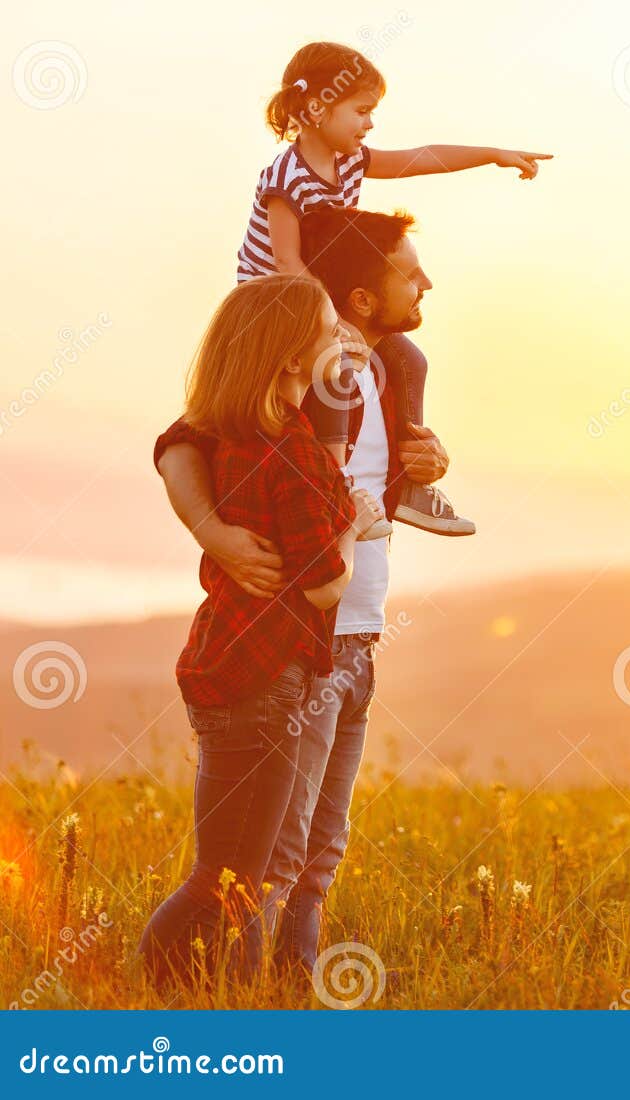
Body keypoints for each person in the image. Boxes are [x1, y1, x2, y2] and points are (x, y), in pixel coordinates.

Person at [156, 207, 450, 977]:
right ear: (356, 298)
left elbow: (362, 502)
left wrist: (425, 469)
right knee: (266, 861)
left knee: (320, 851)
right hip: (295, 641)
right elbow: (185, 441)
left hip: (355, 637)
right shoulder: (291, 396)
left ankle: (290, 995)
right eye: (407, 271)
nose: (425, 283)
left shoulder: (392, 378)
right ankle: (232, 995)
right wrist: (212, 531)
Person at [138, 275, 385, 987]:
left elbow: (181, 441)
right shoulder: (293, 451)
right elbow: (324, 582)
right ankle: (190, 993)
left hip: (226, 664)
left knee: (228, 875)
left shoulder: (239, 437)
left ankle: (186, 992)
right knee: (231, 881)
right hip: (269, 683)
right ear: (286, 360)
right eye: (328, 328)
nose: (341, 340)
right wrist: (355, 526)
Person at [238, 39, 552, 537]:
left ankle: (406, 484)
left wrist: (492, 154)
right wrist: (331, 321)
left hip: (323, 295)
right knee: (334, 369)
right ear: (316, 108)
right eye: (361, 111)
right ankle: (332, 487)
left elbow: (420, 158)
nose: (369, 124)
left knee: (407, 361)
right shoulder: (286, 176)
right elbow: (285, 262)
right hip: (278, 302)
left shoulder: (352, 161)